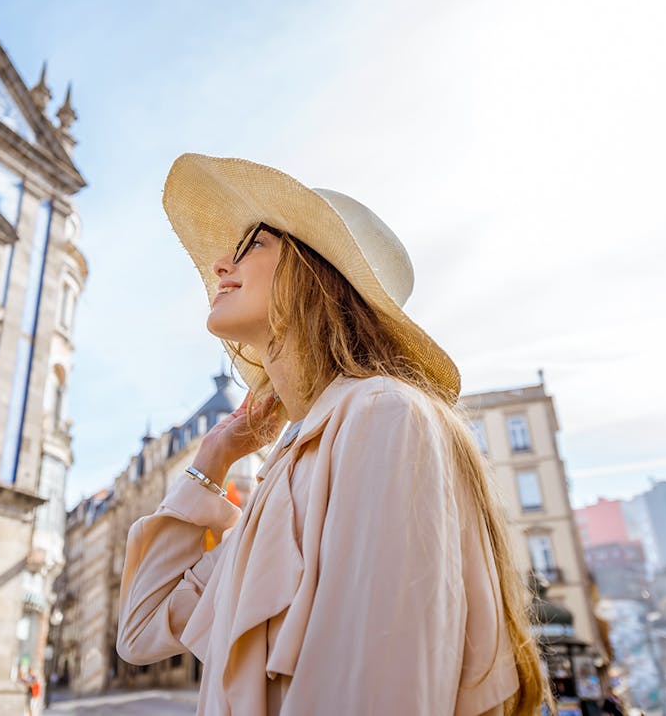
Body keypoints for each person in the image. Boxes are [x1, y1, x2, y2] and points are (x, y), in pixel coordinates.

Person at [116, 155, 549, 715]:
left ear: (314, 274)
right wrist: (214, 458)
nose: (222, 263)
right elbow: (143, 629)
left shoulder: (384, 416)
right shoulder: (290, 471)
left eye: (254, 245)